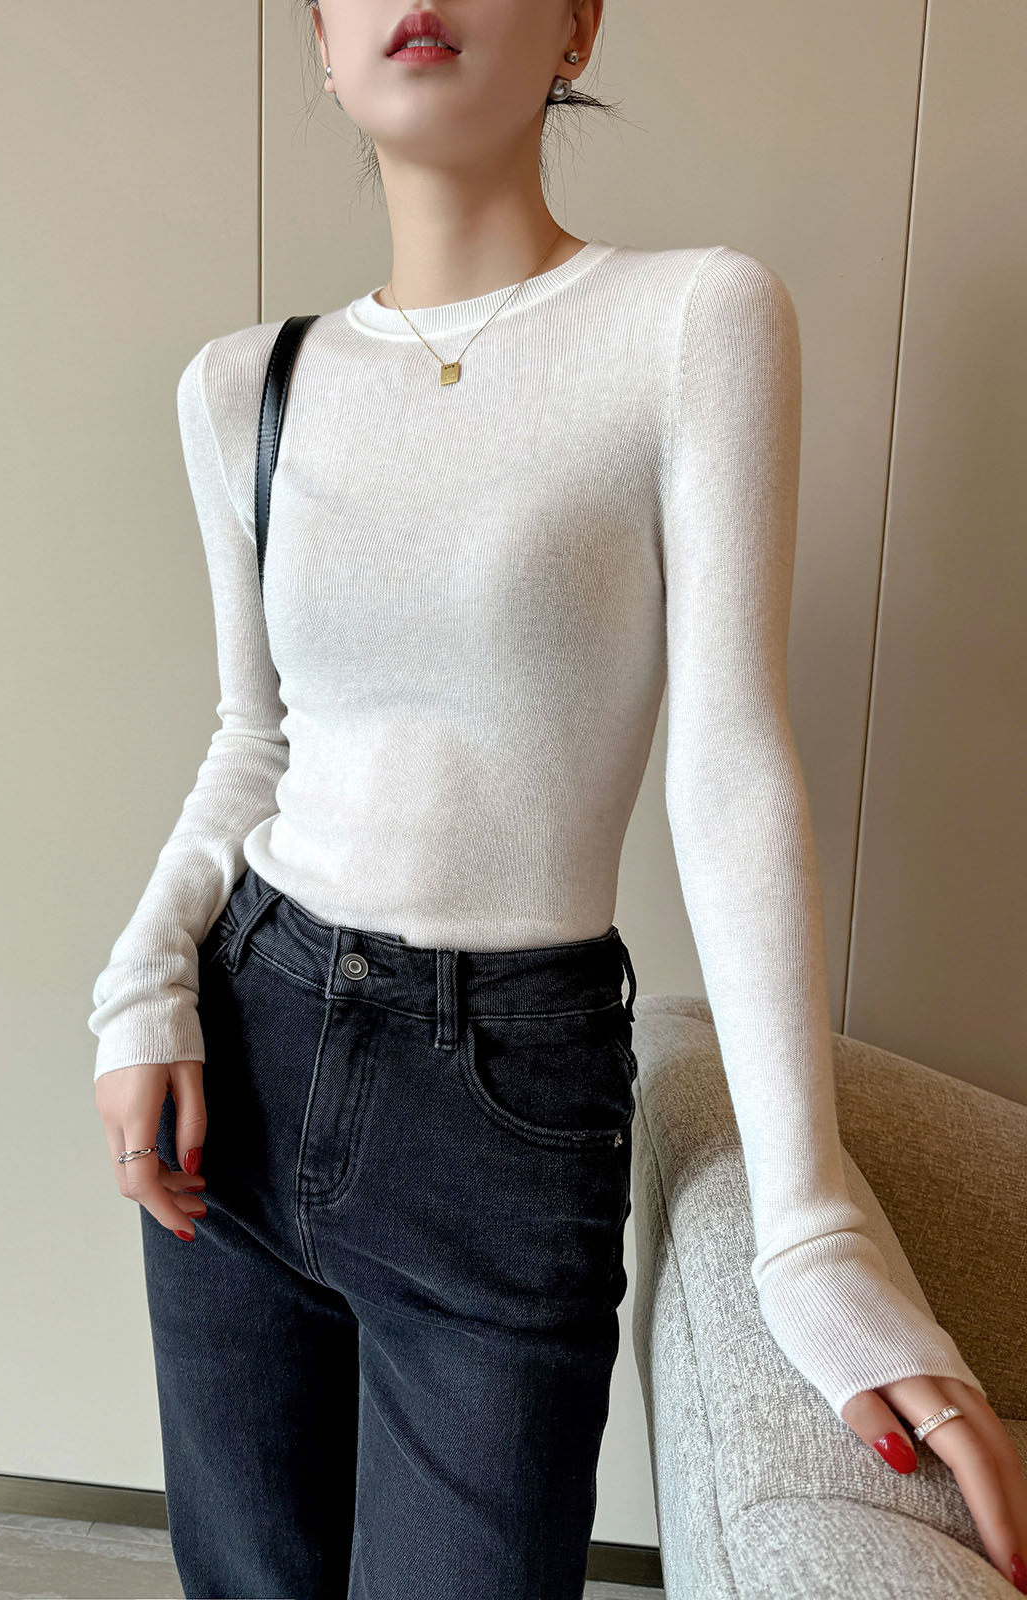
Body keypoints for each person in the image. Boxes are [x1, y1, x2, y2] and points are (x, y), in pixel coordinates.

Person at [89, 3, 1027, 1596]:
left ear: (579, 23)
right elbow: (255, 740)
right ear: (320, 43)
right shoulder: (242, 385)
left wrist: (809, 1231)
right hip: (243, 1050)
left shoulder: (692, 320)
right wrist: (142, 984)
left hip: (505, 1099)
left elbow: (728, 760)